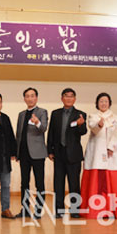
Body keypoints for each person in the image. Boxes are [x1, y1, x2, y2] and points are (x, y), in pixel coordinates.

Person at [80, 92, 117, 219]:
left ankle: (115, 209)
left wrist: (111, 147)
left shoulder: (116, 117)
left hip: (113, 153)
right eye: (101, 101)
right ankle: (96, 209)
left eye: (106, 101)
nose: (103, 103)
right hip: (96, 152)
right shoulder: (93, 116)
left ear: (109, 103)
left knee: (114, 180)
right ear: (97, 103)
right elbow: (93, 128)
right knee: (96, 180)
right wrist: (99, 125)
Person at [47, 88, 87, 218]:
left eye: (71, 96)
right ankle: (59, 210)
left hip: (74, 154)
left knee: (74, 184)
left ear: (74, 99)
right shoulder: (55, 114)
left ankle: (75, 210)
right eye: (66, 96)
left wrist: (80, 124)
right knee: (58, 183)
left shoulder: (80, 114)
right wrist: (50, 150)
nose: (68, 98)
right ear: (62, 98)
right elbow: (51, 132)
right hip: (58, 153)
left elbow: (83, 132)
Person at [15, 87, 48, 218]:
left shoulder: (42, 112)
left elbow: (43, 128)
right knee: (24, 183)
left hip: (37, 153)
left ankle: (38, 210)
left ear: (36, 98)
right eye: (27, 96)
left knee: (39, 183)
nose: (30, 98)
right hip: (23, 153)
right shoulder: (21, 114)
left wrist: (37, 122)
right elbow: (19, 134)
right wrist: (17, 152)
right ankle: (25, 209)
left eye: (32, 96)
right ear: (24, 99)